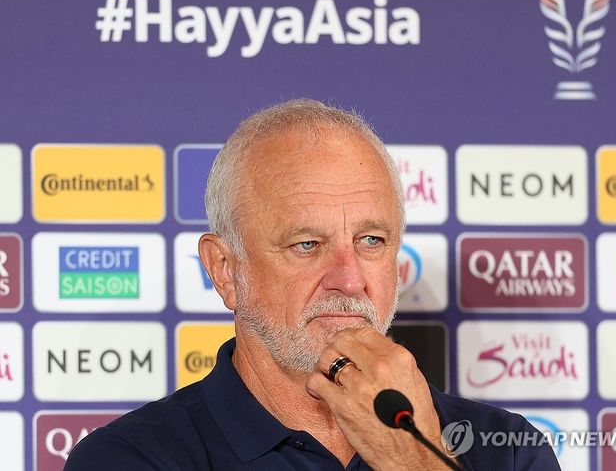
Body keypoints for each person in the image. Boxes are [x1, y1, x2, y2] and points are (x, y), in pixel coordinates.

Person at [65, 99, 560, 470]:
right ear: (225, 269)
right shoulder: (130, 458)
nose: (349, 279)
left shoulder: (508, 451)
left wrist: (415, 461)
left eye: (371, 240)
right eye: (306, 244)